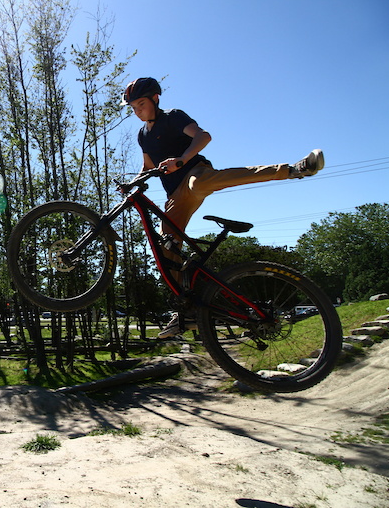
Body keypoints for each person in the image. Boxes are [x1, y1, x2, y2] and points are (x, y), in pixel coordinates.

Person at [121, 77, 324, 338]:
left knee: (202, 183)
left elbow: (203, 136)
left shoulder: (173, 117)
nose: (138, 111)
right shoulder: (143, 135)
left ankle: (294, 169)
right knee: (166, 249)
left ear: (155, 100)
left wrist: (181, 160)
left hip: (194, 174)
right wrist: (133, 183)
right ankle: (186, 311)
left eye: (141, 104)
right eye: (134, 107)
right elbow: (147, 167)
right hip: (174, 196)